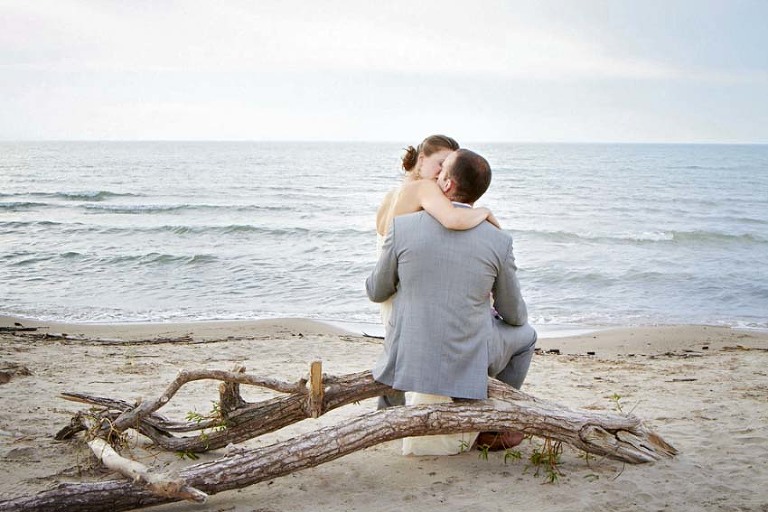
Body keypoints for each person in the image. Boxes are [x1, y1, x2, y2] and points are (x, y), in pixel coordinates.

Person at [367, 148, 537, 453]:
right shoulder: (498, 240)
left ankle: (389, 410)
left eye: (442, 171)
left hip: (408, 352)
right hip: (467, 354)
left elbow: (376, 292)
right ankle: (491, 426)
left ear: (446, 184)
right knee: (527, 336)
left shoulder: (402, 227)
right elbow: (514, 314)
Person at [376, 135, 499, 330]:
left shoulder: (391, 195)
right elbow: (453, 219)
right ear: (422, 159)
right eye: (441, 164)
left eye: (449, 166)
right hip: (410, 298)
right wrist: (485, 212)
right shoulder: (425, 188)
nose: (444, 172)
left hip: (390, 296)